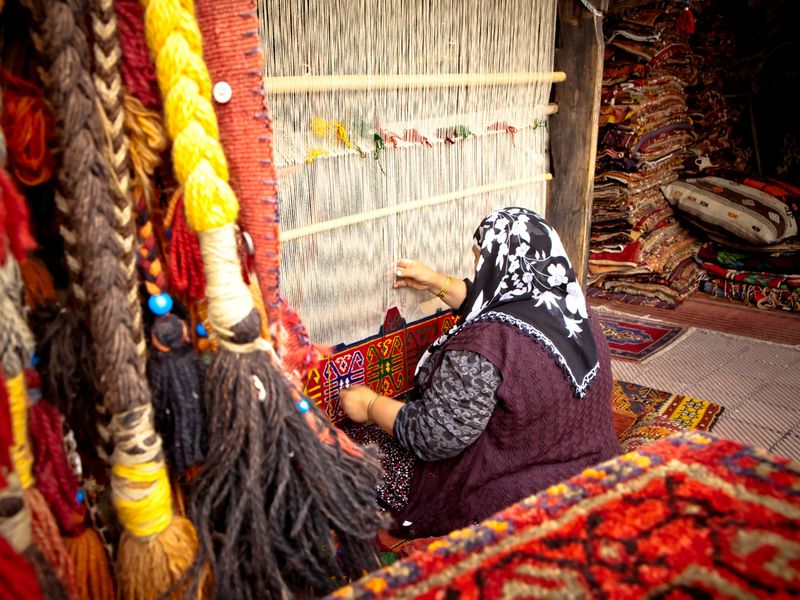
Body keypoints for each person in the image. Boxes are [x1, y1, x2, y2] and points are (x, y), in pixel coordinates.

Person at [340, 207, 620, 538]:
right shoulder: (571, 308)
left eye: (481, 260)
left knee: (347, 445)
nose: (478, 268)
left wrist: (371, 405)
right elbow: (497, 295)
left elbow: (434, 436)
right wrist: (439, 283)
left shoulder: (486, 344)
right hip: (590, 463)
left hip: (512, 492)